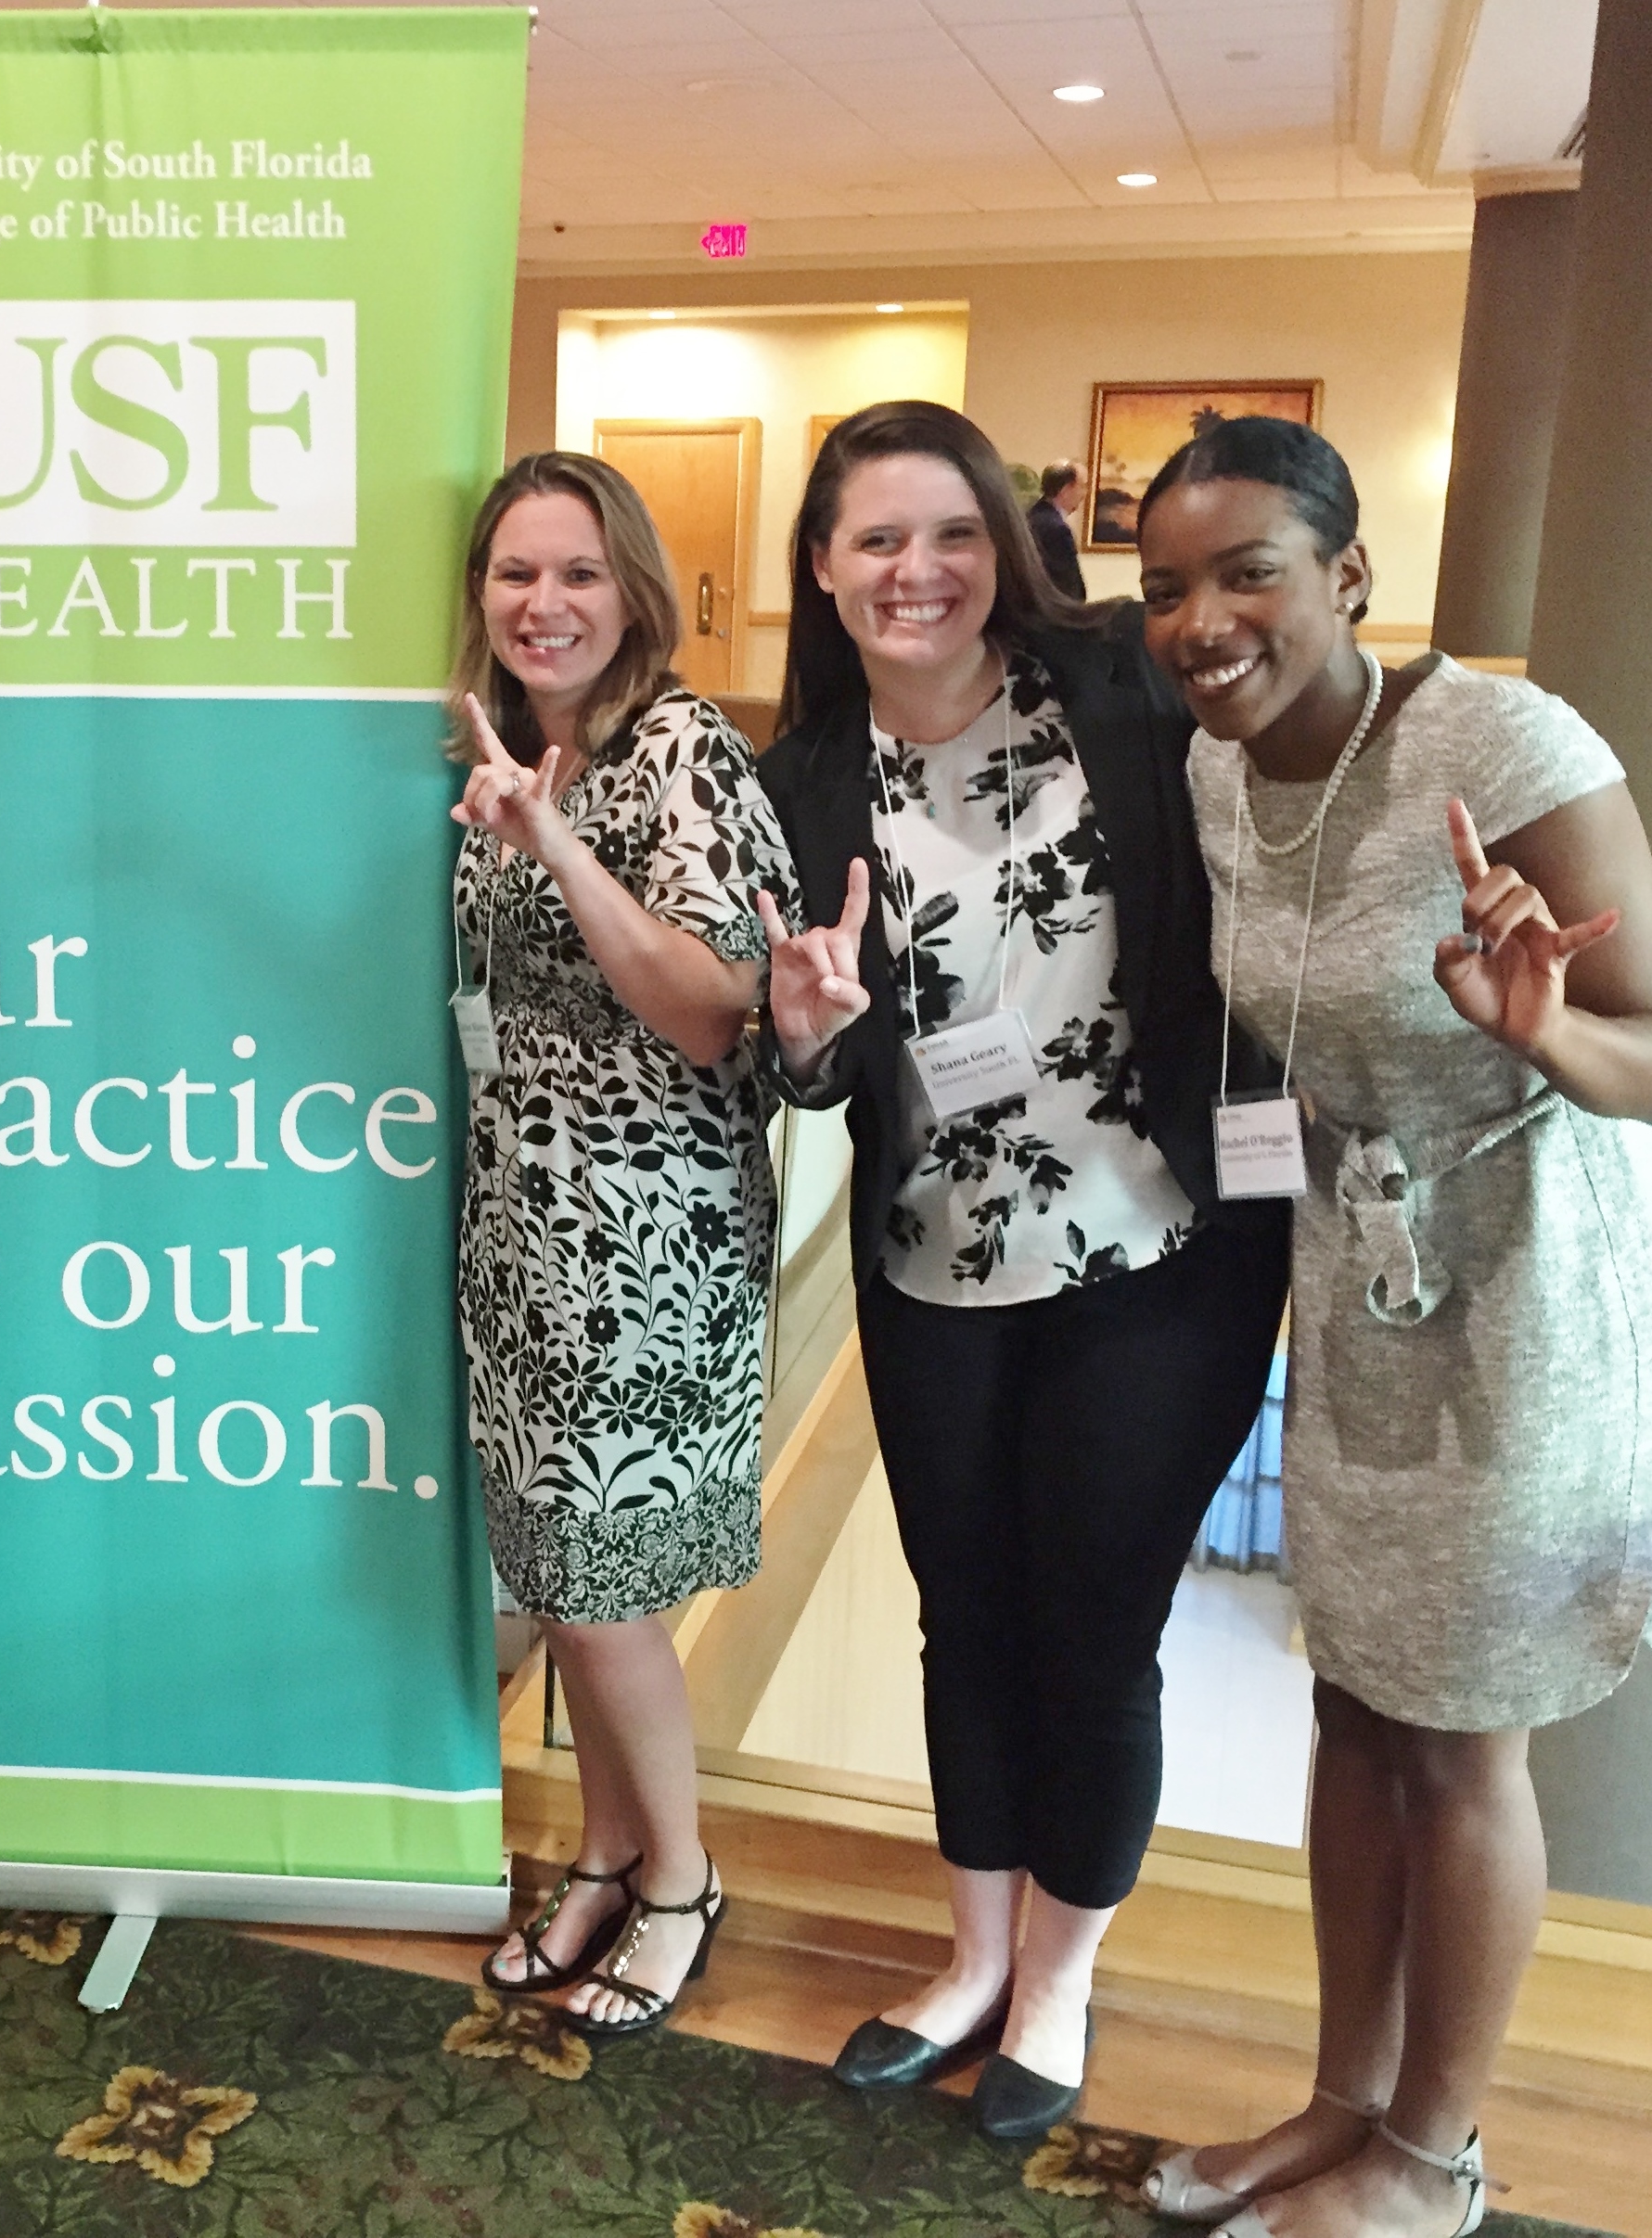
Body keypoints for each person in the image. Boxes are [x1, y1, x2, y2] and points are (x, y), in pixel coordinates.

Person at [1133, 418, 1652, 2238]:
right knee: (1351, 1705)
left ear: (1345, 579)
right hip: (1359, 1273)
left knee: (1460, 1734)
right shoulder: (1216, 772)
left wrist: (1537, 1026)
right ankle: (1338, 2104)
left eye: (1246, 573)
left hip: (1539, 1286)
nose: (1199, 617)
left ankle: (1431, 2155)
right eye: (1163, 584)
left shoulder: (1497, 745)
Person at [750, 401, 1290, 2140]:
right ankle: (971, 1951)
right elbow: (812, 1065)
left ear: (1002, 540)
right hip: (932, 1263)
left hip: (1160, 1253)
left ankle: (1060, 1972)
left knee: (1093, 1627)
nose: (917, 570)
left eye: (949, 531)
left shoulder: (1124, 701)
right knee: (959, 1619)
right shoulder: (805, 779)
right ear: (823, 572)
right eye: (875, 541)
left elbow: (1293, 829)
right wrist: (811, 1040)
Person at [450, 452, 799, 2037]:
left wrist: (555, 850)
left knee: (605, 1591)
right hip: (517, 1219)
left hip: (645, 1234)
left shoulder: (681, 754)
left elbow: (712, 1012)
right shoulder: (525, 748)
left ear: (634, 589)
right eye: (515, 572)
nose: (544, 602)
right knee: (557, 1560)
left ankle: (679, 1880)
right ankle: (599, 1850)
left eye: (577, 571)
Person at [1028, 462, 1088, 602]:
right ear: (1066, 490)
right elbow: (1066, 589)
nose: (1084, 494)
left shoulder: (1032, 517)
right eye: (1083, 486)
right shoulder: (1057, 530)